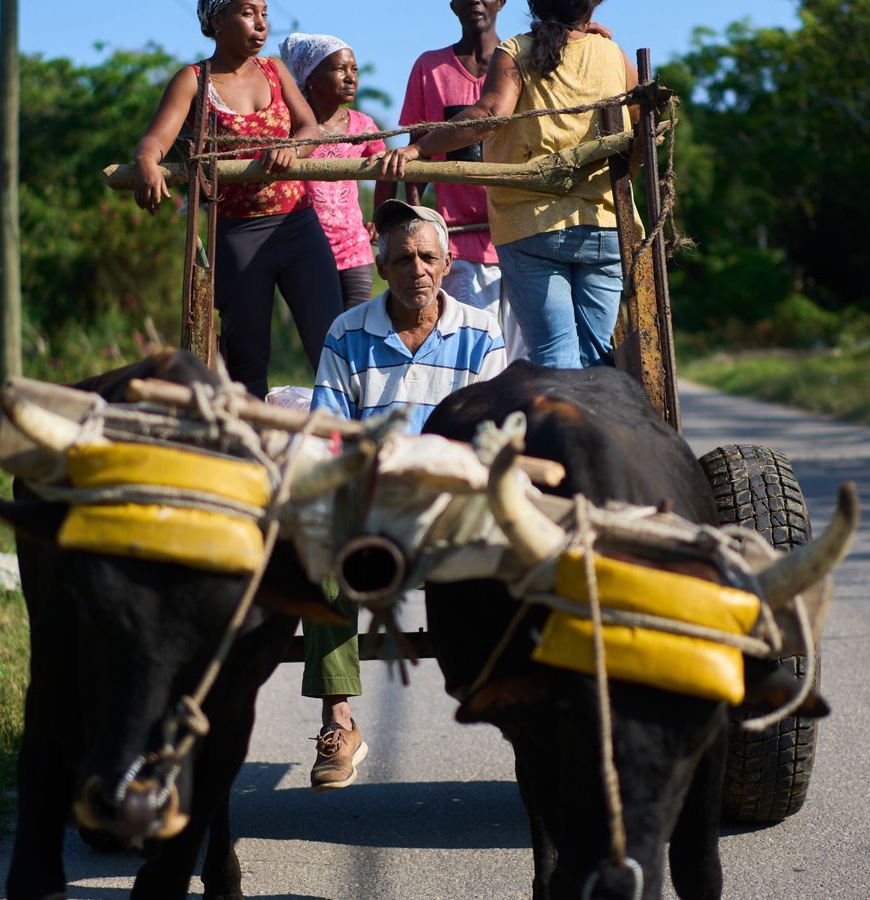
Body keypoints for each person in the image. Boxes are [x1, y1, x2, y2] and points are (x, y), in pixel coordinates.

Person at [302, 199, 508, 790]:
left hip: (449, 503)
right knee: (325, 556)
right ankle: (338, 723)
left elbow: (487, 438)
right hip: (372, 507)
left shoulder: (481, 332)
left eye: (426, 257)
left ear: (446, 265)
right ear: (382, 266)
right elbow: (326, 434)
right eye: (402, 258)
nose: (416, 269)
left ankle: (524, 699)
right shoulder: (348, 332)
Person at [379, 0, 641, 370]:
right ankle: (590, 425)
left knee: (554, 356)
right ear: (593, 7)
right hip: (602, 224)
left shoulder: (517, 51)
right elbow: (641, 121)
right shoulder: (613, 55)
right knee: (595, 355)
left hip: (530, 226)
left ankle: (558, 427)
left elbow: (489, 116)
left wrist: (419, 148)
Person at [132, 0, 342, 398]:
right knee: (247, 361)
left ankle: (351, 443)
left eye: (264, 13)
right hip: (237, 238)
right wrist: (146, 160)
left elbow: (310, 128)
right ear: (217, 20)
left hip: (298, 227)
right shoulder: (194, 79)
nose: (261, 24)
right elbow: (156, 139)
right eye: (248, 13)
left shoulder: (275, 71)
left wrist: (292, 150)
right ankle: (251, 450)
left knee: (333, 346)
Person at [378, 0, 527, 358]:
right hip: (463, 243)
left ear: (502, 2)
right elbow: (418, 150)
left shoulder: (523, 62)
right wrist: (414, 219)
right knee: (473, 352)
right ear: (453, 5)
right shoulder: (430, 69)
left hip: (522, 234)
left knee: (525, 358)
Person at [279, 33, 387, 311]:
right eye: (340, 69)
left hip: (354, 247)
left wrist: (380, 215)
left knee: (357, 327)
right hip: (307, 247)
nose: (351, 77)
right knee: (323, 334)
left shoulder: (362, 125)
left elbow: (385, 169)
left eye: (354, 69)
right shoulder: (291, 129)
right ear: (311, 77)